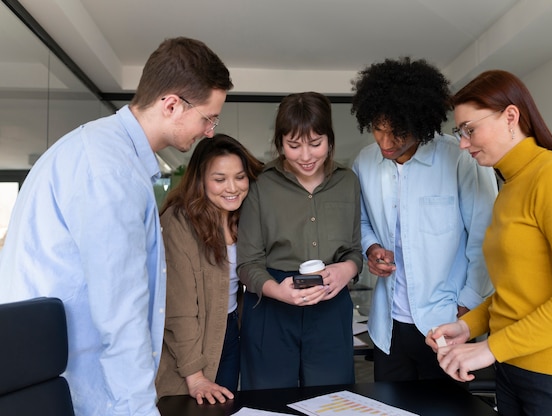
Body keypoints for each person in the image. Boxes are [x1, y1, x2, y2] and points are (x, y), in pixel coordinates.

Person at [0, 37, 232, 415]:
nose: (209, 131)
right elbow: (120, 311)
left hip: (60, 378)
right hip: (77, 387)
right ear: (172, 104)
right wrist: (140, 408)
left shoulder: (101, 151)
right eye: (208, 118)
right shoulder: (109, 170)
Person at [427, 69, 552, 415]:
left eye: (469, 130)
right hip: (515, 370)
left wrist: (489, 348)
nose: (462, 142)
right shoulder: (510, 187)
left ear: (510, 117)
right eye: (459, 132)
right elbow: (518, 292)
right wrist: (466, 326)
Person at [350, 57, 497, 382]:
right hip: (388, 324)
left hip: (447, 319)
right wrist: (371, 246)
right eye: (378, 129)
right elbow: (359, 221)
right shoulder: (365, 162)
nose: (385, 143)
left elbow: (485, 234)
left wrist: (468, 302)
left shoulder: (459, 158)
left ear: (421, 123)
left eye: (398, 132)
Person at [237, 91, 363, 390]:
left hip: (331, 304)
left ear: (330, 141)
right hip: (272, 304)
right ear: (280, 143)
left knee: (333, 401)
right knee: (269, 401)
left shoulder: (348, 182)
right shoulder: (261, 185)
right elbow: (247, 263)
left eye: (316, 144)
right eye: (294, 146)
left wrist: (346, 270)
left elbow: (354, 251)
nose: (306, 157)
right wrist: (278, 292)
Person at [155, 135, 263, 404]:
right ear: (200, 180)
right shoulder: (179, 221)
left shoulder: (244, 216)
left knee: (222, 406)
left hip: (229, 330)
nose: (232, 187)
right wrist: (195, 375)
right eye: (219, 179)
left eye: (240, 177)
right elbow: (178, 310)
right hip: (189, 337)